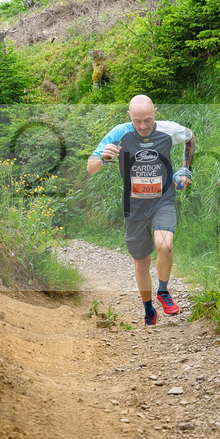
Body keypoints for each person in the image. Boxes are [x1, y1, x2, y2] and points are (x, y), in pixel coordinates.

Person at [87, 95, 196, 326]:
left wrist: (185, 170)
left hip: (163, 200)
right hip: (134, 207)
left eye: (147, 119)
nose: (143, 126)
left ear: (155, 112)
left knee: (165, 245)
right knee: (141, 262)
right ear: (130, 117)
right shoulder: (119, 133)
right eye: (137, 121)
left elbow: (190, 137)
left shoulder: (168, 130)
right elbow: (90, 167)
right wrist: (104, 158)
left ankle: (163, 292)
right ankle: (148, 309)